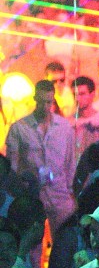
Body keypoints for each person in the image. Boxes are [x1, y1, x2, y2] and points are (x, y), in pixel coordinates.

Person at [5, 80, 77, 229]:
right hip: (32, 193)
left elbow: (70, 162)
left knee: (64, 237)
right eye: (41, 102)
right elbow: (12, 166)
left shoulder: (64, 127)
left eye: (48, 102)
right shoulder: (19, 128)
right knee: (33, 238)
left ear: (53, 100)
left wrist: (71, 190)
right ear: (35, 99)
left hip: (60, 194)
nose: (45, 107)